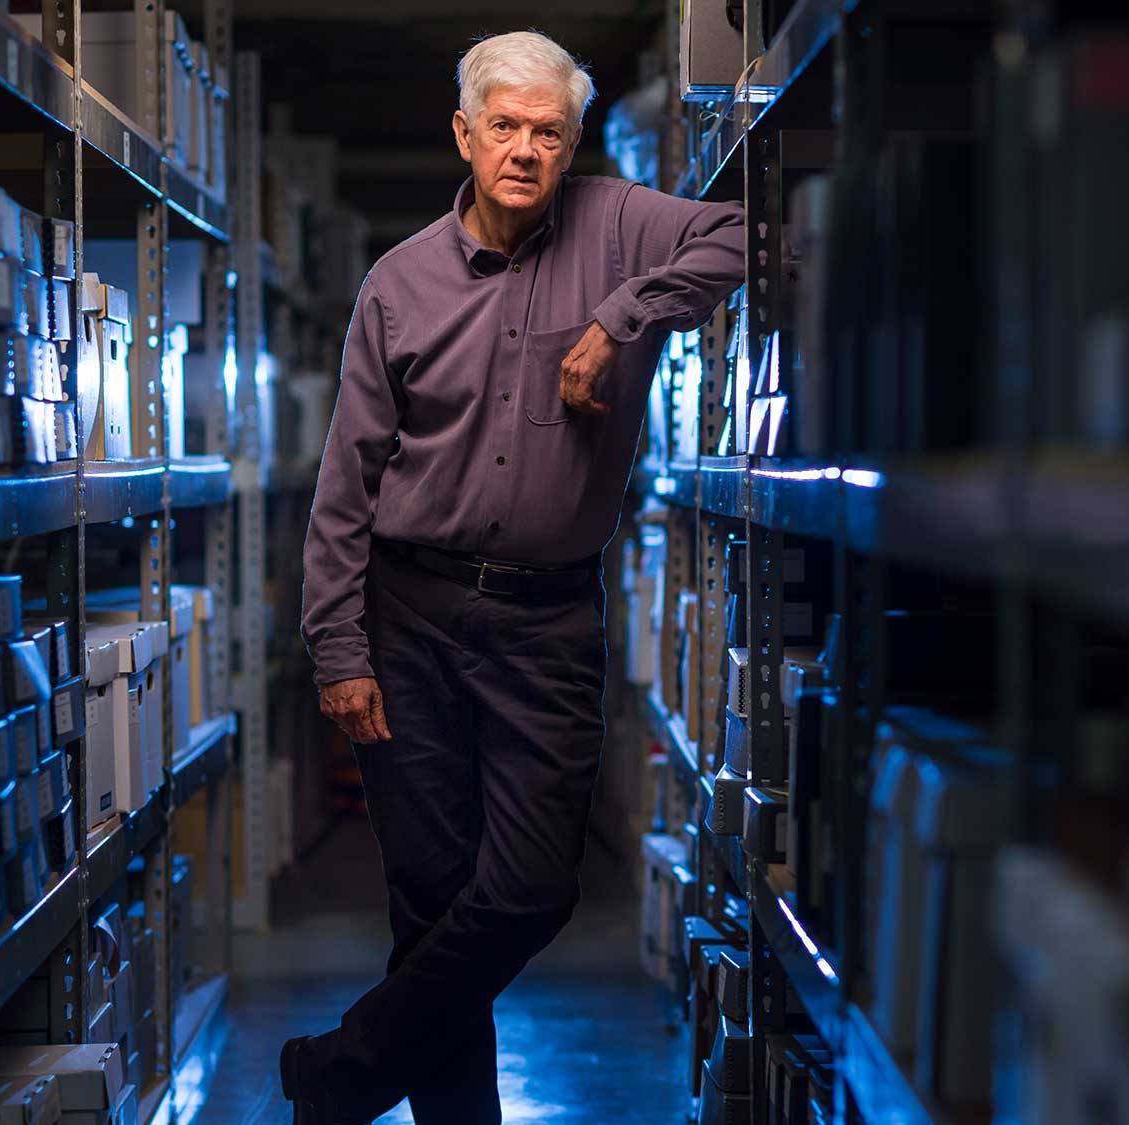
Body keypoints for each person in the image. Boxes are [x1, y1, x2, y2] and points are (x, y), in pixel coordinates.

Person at [287, 28, 745, 1125]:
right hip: (409, 612)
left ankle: (339, 1073)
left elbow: (746, 237)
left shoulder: (619, 225)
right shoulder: (396, 286)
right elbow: (344, 484)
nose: (526, 150)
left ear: (573, 143)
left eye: (548, 131)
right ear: (464, 133)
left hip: (546, 621)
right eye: (505, 126)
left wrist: (623, 313)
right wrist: (338, 651)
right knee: (432, 899)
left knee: (532, 889)